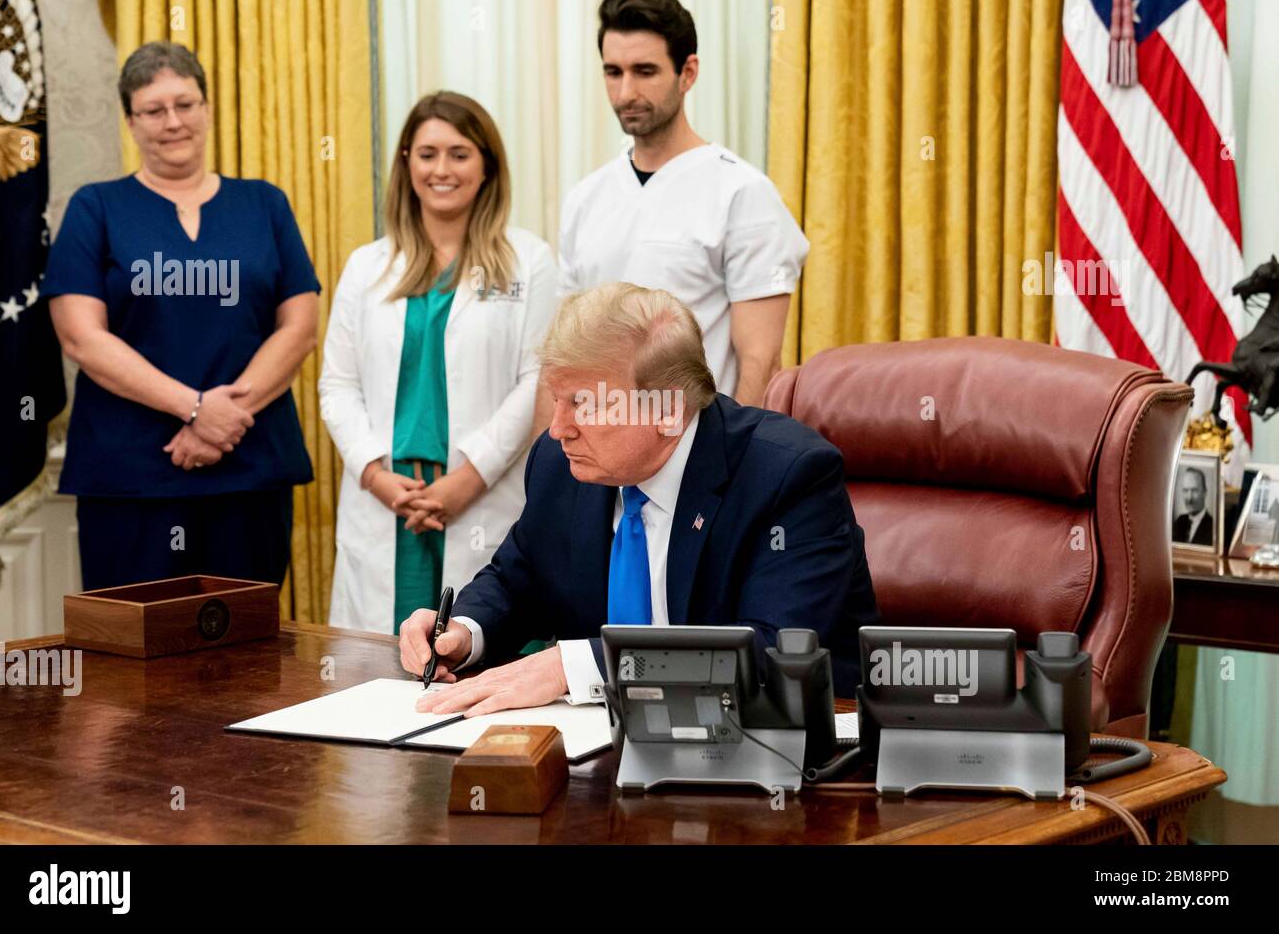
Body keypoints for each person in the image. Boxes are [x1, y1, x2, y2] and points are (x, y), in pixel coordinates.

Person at [399, 282, 879, 717]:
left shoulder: (787, 476)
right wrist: (463, 631)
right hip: (603, 753)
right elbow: (519, 577)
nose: (558, 428)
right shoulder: (560, 462)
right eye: (556, 399)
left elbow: (772, 653)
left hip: (783, 764)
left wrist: (580, 665)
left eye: (584, 404)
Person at [43, 42, 317, 590]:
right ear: (130, 121)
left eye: (185, 104)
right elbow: (81, 338)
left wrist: (222, 420)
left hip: (250, 471)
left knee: (247, 657)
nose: (173, 122)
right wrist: (194, 409)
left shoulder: (265, 203)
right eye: (153, 110)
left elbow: (301, 326)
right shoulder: (95, 207)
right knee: (131, 653)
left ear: (208, 108)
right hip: (130, 479)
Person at [320, 92, 558, 635]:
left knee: (470, 656)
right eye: (427, 154)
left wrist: (467, 480)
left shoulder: (530, 262)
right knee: (375, 675)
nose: (441, 169)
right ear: (406, 163)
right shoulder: (366, 267)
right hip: (387, 501)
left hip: (480, 497)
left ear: (487, 166)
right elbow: (337, 384)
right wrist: (376, 476)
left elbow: (537, 382)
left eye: (459, 153)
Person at [558, 0, 809, 407]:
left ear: (688, 72)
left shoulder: (743, 194)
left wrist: (733, 466)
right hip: (597, 456)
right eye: (613, 72)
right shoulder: (585, 198)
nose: (625, 93)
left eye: (644, 71)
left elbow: (760, 364)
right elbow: (566, 352)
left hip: (699, 453)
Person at [1172, 467, 1213, 546]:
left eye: (1194, 491)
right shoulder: (1179, 522)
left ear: (1204, 493)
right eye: (1185, 490)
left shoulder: (1212, 527)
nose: (1189, 498)